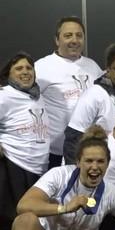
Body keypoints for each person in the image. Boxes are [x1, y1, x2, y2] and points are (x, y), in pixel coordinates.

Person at [0, 53, 51, 230]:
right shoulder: (4, 95)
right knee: (6, 229)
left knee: (38, 227)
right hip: (12, 167)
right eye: (18, 68)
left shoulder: (36, 94)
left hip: (38, 170)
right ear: (8, 74)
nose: (25, 71)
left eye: (28, 67)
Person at [35, 17, 103, 169]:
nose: (74, 40)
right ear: (57, 40)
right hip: (54, 153)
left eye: (79, 35)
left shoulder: (93, 66)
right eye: (68, 35)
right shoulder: (41, 67)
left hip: (90, 153)